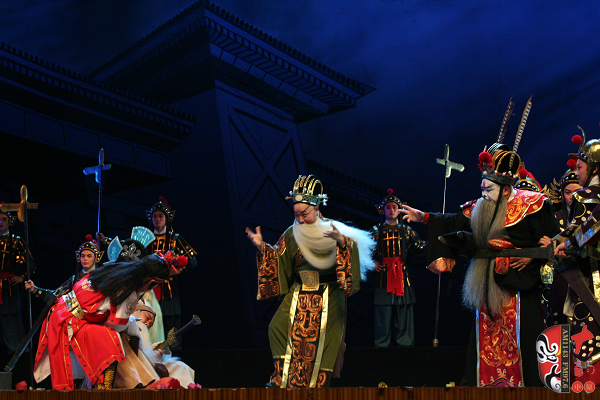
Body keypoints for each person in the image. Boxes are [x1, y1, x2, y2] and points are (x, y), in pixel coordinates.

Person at [400, 99, 560, 387]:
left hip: (520, 286)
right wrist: (423, 217)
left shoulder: (534, 205)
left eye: (490, 189)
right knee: (484, 342)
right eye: (483, 188)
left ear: (506, 189)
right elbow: (453, 221)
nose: (484, 194)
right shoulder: (480, 206)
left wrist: (536, 254)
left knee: (523, 342)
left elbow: (554, 242)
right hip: (486, 284)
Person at [245, 175, 375, 388]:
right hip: (300, 292)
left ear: (316, 208)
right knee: (276, 327)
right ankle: (280, 378)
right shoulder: (292, 233)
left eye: (304, 214)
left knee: (324, 341)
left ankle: (317, 386)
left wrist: (342, 243)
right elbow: (279, 258)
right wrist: (262, 247)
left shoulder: (333, 230)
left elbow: (350, 260)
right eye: (296, 214)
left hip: (328, 294)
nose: (300, 218)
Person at [32, 251, 188, 390]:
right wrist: (132, 323)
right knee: (111, 338)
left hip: (60, 311)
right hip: (69, 321)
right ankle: (104, 387)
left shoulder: (114, 270)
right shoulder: (128, 291)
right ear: (149, 282)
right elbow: (115, 326)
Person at [551, 130, 600, 384]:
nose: (578, 172)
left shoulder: (585, 196)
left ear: (593, 168)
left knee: (587, 333)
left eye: (580, 167)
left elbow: (582, 230)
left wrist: (563, 243)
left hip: (589, 276)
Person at [371, 189, 425, 347]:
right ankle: (381, 346)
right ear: (382, 210)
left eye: (395, 207)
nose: (392, 210)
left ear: (399, 210)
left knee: (404, 309)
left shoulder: (406, 230)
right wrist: (371, 262)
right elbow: (364, 248)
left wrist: (437, 241)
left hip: (402, 274)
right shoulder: (377, 230)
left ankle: (405, 345)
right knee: (383, 311)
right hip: (384, 275)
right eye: (388, 207)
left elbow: (420, 248)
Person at [146, 197, 197, 345]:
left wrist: (178, 269)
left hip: (169, 291)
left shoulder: (174, 238)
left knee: (171, 328)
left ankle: (172, 355)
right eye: (155, 216)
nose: (157, 219)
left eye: (160, 216)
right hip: (149, 289)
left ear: (167, 218)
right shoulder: (146, 239)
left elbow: (192, 260)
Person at [115, 301, 196, 388]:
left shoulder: (141, 333)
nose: (147, 324)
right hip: (134, 369)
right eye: (147, 317)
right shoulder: (129, 325)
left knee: (181, 367)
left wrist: (155, 355)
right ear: (134, 312)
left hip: (149, 366)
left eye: (151, 324)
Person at [0, 207, 34, 382]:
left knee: (12, 328)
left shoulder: (15, 241)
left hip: (9, 291)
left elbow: (30, 263)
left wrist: (23, 277)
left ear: (10, 222)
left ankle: (17, 371)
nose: (0, 222)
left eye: (4, 219)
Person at [25, 234, 103, 303]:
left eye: (89, 256)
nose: (85, 259)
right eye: (82, 256)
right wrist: (35, 289)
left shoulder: (101, 278)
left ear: (96, 258)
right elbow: (56, 296)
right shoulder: (75, 279)